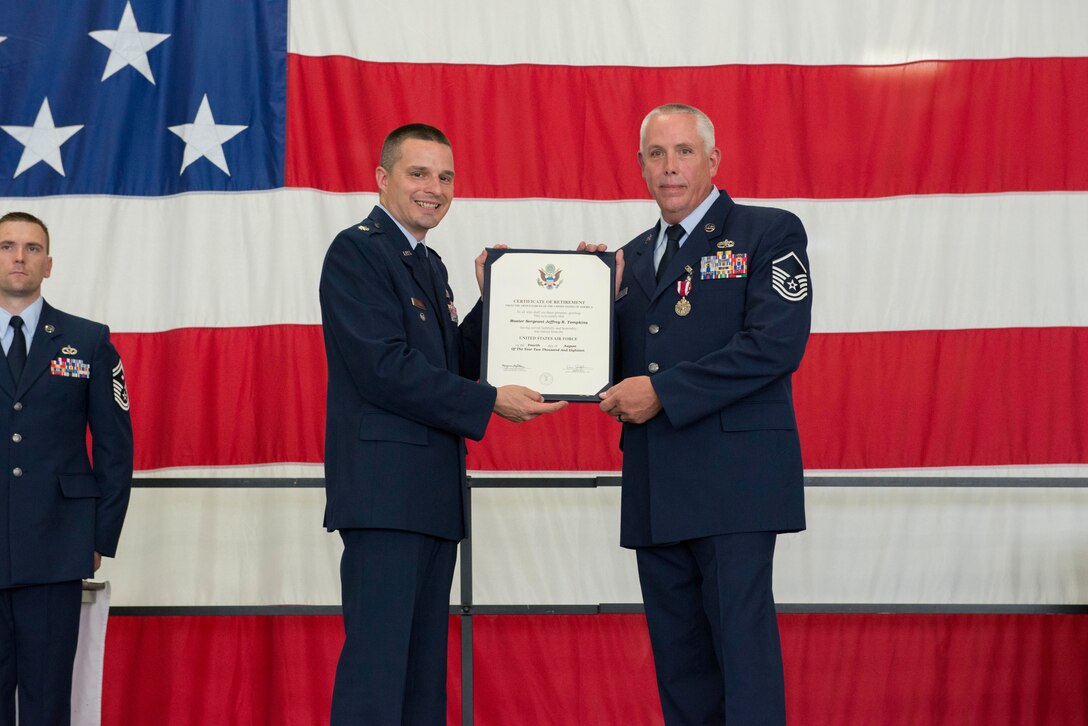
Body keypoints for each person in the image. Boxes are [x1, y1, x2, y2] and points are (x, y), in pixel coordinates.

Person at [319, 123, 566, 725]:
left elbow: (446, 359)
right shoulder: (357, 251)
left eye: (445, 176)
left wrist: (497, 299)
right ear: (383, 178)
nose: (434, 188)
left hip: (429, 499)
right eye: (419, 173)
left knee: (422, 678)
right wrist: (488, 404)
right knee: (378, 677)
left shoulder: (426, 262)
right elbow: (383, 368)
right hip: (384, 499)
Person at [588, 103, 812, 725]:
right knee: (680, 670)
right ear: (639, 166)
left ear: (713, 161)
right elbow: (611, 369)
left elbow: (775, 345)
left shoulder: (769, 232)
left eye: (684, 152)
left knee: (743, 663)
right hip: (658, 488)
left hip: (734, 487)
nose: (670, 167)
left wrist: (664, 393)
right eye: (656, 155)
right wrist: (583, 304)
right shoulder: (627, 261)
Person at [0, 211, 133, 726]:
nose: (18, 257)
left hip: (57, 543)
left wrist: (99, 534)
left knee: (47, 698)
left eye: (32, 248)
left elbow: (116, 446)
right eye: (8, 245)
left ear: (48, 264)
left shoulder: (88, 340)